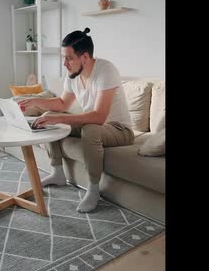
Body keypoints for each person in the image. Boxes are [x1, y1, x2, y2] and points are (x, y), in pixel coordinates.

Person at [18, 27, 134, 213]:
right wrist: (34, 100)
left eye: (69, 58)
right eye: (64, 58)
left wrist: (59, 118)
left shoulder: (106, 70)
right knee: (46, 120)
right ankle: (57, 173)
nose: (65, 63)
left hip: (119, 129)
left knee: (88, 128)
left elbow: (99, 117)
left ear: (85, 57)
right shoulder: (73, 74)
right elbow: (63, 103)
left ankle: (94, 190)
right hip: (93, 124)